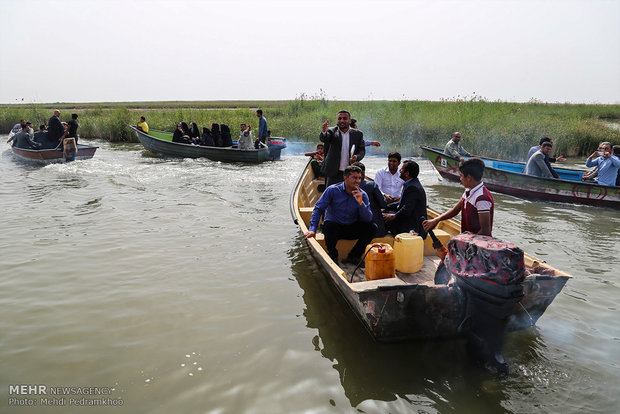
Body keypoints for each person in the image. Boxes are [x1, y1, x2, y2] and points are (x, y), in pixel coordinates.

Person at [304, 165, 376, 264]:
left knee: (372, 227)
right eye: (354, 178)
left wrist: (361, 204)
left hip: (351, 227)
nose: (358, 181)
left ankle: (354, 256)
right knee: (328, 226)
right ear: (345, 178)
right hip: (335, 228)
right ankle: (333, 256)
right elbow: (318, 209)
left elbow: (368, 219)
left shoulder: (362, 194)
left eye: (359, 178)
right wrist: (312, 229)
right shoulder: (332, 190)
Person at [423, 158, 494, 236]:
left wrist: (468, 243)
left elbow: (485, 231)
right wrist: (437, 220)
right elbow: (455, 210)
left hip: (477, 244)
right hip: (467, 239)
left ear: (469, 177)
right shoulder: (469, 190)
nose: (460, 179)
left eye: (461, 176)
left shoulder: (482, 198)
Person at [319, 110, 365, 186]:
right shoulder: (332, 131)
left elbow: (362, 151)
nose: (342, 121)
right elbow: (324, 138)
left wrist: (356, 157)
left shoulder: (358, 134)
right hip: (334, 172)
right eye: (339, 119)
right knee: (331, 195)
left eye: (344, 118)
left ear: (350, 121)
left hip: (350, 173)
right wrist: (324, 131)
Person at [383, 160, 427, 238]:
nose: (400, 170)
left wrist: (393, 216)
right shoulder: (411, 184)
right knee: (385, 212)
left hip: (413, 227)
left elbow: (406, 210)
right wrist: (385, 206)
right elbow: (401, 203)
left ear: (407, 174)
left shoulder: (413, 187)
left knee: (384, 218)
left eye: (402, 169)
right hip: (410, 219)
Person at [354, 162, 388, 237]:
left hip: (353, 229)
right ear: (363, 173)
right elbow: (383, 204)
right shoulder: (372, 185)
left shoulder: (345, 186)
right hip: (374, 229)